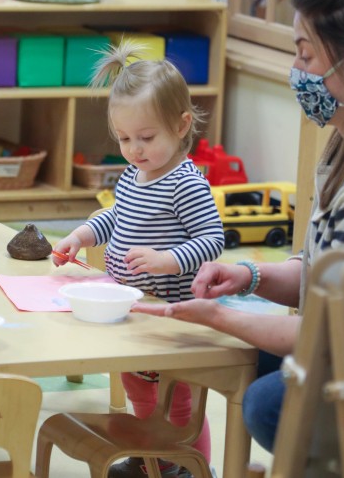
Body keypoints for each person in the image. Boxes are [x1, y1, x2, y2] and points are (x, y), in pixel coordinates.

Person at [133, 0, 344, 454]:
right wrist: (251, 276)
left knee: (269, 400)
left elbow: (331, 335)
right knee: (230, 352)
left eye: (305, 54)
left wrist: (222, 316)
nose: (295, 69)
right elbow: (320, 278)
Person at [53, 41, 225, 477]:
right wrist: (80, 234)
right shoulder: (134, 174)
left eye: (146, 138)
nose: (134, 149)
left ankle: (188, 464)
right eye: (125, 138)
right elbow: (117, 217)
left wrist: (169, 259)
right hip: (135, 308)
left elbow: (212, 239)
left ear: (182, 125)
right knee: (139, 388)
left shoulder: (185, 183)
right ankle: (151, 456)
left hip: (174, 316)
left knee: (179, 401)